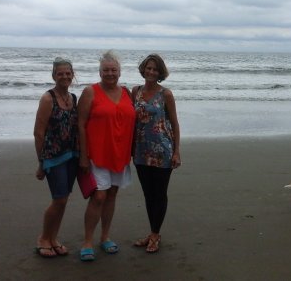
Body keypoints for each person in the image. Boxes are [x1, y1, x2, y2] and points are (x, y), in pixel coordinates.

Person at [77, 50, 136, 262]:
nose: (110, 73)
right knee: (99, 196)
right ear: (99, 72)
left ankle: (105, 237)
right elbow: (81, 124)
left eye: (113, 70)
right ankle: (87, 241)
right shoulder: (90, 92)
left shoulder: (128, 93)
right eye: (105, 70)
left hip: (120, 154)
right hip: (96, 153)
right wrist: (83, 156)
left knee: (111, 195)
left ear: (119, 72)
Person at [131, 54, 181, 253]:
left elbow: (175, 124)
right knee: (147, 194)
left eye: (155, 69)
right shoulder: (135, 91)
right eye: (148, 68)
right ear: (143, 69)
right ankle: (152, 233)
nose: (151, 72)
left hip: (162, 151)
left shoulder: (165, 94)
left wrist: (176, 151)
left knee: (159, 194)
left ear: (160, 73)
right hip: (141, 151)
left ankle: (155, 234)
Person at [33, 57, 79, 258]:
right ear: (53, 76)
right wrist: (41, 163)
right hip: (53, 157)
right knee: (58, 199)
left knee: (63, 199)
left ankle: (53, 238)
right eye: (60, 73)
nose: (65, 76)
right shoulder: (47, 99)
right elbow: (38, 132)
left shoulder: (73, 98)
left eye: (68, 73)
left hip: (71, 156)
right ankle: (43, 238)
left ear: (72, 75)